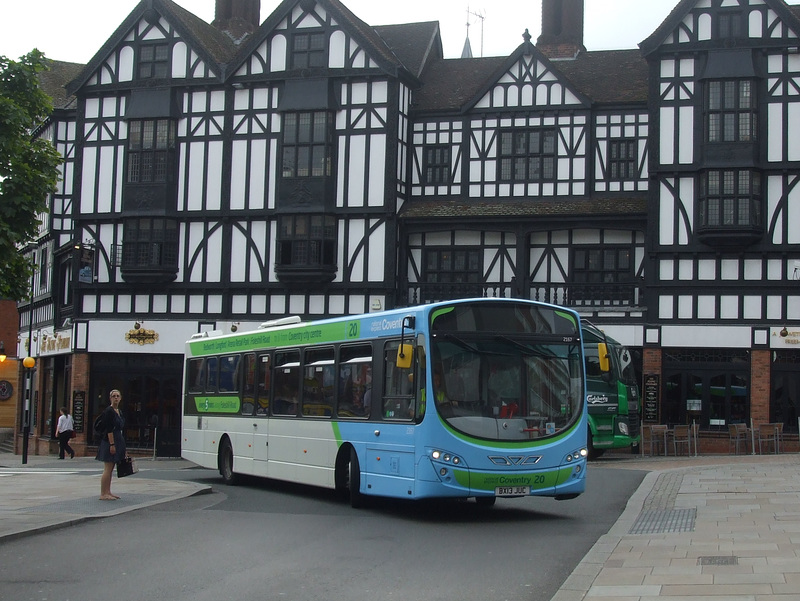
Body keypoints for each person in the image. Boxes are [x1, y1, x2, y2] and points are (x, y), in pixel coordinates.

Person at [95, 389, 127, 500]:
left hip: (118, 440)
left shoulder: (119, 411)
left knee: (112, 468)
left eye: (118, 396)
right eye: (114, 396)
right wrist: (112, 444)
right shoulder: (109, 411)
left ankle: (108, 491)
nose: (116, 398)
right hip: (110, 441)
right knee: (107, 468)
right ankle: (103, 493)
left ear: (121, 398)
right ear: (110, 398)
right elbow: (109, 429)